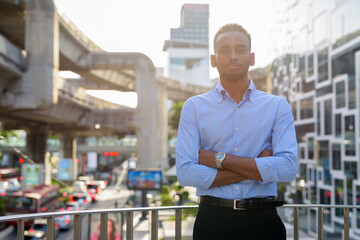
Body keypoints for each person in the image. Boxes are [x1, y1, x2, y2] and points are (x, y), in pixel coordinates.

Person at [176, 23, 298, 240]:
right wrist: (255, 167)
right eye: (224, 50)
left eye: (240, 50)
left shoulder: (277, 106)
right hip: (212, 222)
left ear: (251, 58)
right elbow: (185, 172)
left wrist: (218, 159)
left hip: (263, 221)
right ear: (213, 60)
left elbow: (288, 168)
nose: (233, 56)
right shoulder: (193, 107)